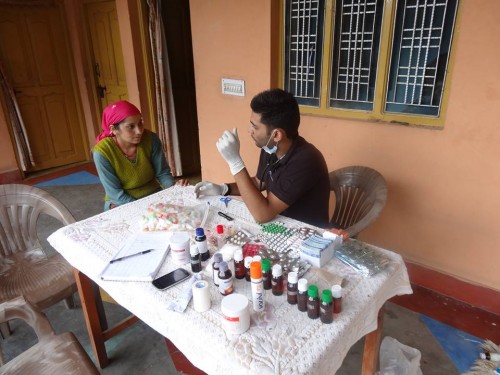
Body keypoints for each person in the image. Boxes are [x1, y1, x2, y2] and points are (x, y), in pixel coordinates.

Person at [194, 88, 330, 228]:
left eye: (255, 127)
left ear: (276, 135)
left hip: (307, 234)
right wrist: (224, 189)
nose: (249, 130)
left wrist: (235, 162)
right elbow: (258, 183)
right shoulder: (271, 148)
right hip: (280, 223)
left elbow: (263, 214)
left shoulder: (306, 161)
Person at [93, 100, 188, 210]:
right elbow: (115, 194)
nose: (139, 131)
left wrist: (174, 189)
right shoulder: (102, 152)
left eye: (140, 123)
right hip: (122, 201)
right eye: (130, 126)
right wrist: (144, 208)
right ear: (113, 129)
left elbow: (162, 173)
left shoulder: (151, 139)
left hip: (152, 194)